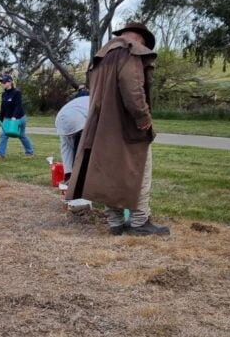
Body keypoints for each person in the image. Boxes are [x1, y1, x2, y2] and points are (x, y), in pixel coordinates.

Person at [66, 21, 169, 236]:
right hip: (125, 127)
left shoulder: (100, 58)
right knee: (139, 170)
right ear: (139, 39)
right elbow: (132, 87)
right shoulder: (130, 52)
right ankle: (140, 222)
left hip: (100, 127)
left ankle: (115, 223)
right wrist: (142, 116)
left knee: (108, 174)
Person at [0, 75, 34, 160]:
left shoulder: (17, 93)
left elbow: (18, 106)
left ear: (10, 82)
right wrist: (1, 120)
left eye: (4, 82)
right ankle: (0, 154)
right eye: (2, 82)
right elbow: (3, 108)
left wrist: (14, 117)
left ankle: (30, 152)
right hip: (7, 119)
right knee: (3, 135)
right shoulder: (3, 94)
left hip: (19, 118)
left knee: (21, 135)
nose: (2, 83)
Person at [54, 88, 90, 181]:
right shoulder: (62, 118)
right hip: (77, 117)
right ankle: (74, 178)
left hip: (89, 118)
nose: (71, 137)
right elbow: (66, 147)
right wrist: (68, 173)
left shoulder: (91, 105)